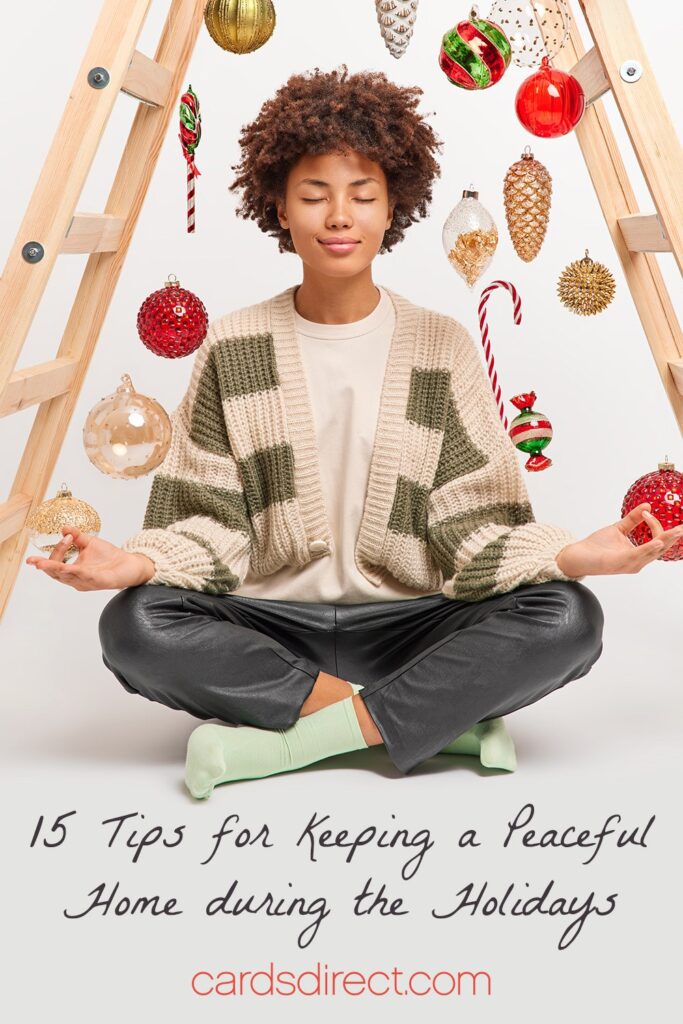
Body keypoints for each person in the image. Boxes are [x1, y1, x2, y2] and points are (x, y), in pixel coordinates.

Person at [26, 67, 682, 800]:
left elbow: (471, 524)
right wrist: (136, 564)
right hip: (272, 625)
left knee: (568, 615)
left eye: (362, 195)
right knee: (135, 627)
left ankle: (287, 745)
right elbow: (210, 524)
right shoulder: (234, 345)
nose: (339, 216)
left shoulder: (440, 345)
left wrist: (568, 552)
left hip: (411, 626)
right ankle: (431, 721)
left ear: (392, 205)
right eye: (314, 195)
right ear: (277, 204)